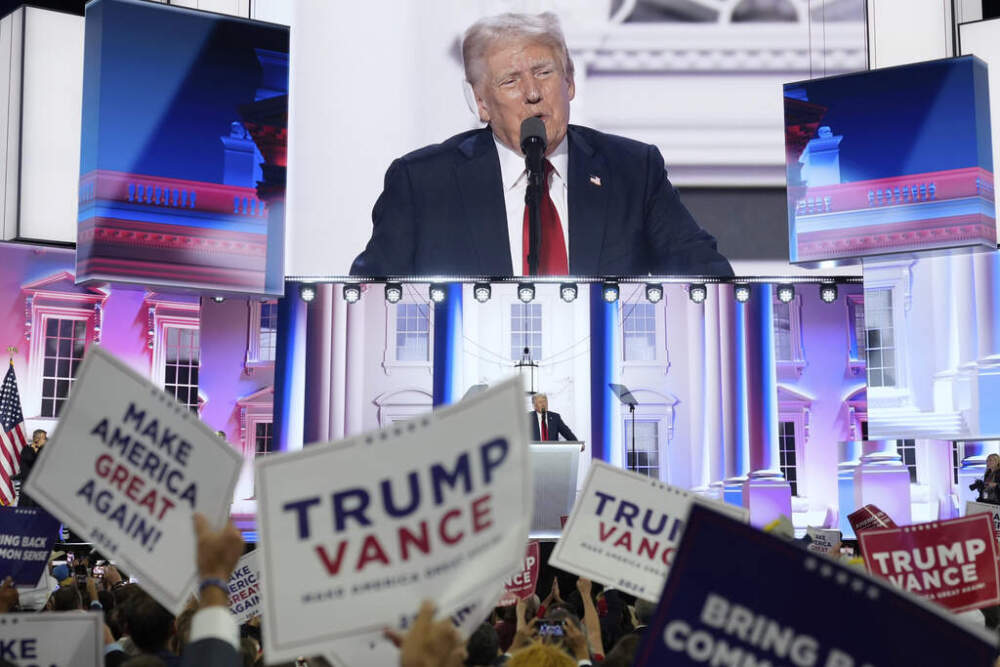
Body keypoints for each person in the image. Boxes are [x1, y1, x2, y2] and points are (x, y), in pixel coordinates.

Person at [350, 12, 733, 278]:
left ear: (569, 82)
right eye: (511, 81)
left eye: (544, 73)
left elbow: (709, 277)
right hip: (476, 390)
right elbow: (369, 301)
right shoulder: (423, 183)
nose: (533, 93)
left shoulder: (633, 170)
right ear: (481, 103)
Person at [16, 429, 46, 508]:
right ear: (36, 439)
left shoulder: (43, 450)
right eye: (44, 438)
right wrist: (33, 448)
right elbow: (29, 459)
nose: (45, 440)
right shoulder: (26, 449)